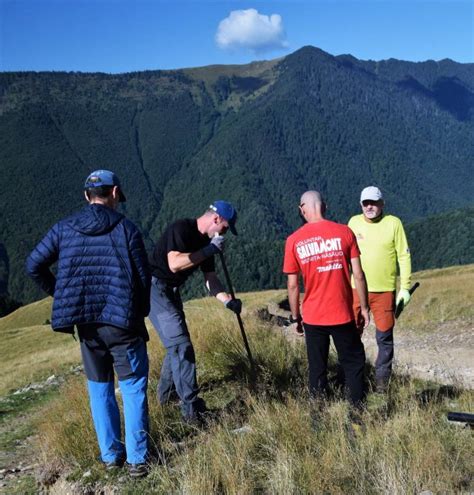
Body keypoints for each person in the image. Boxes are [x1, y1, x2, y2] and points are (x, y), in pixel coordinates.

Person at [26, 170, 151, 477]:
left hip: (87, 325)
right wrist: (140, 312)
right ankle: (138, 460)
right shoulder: (127, 230)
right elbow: (143, 279)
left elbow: (33, 265)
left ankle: (110, 456)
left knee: (99, 388)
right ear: (116, 193)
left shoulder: (64, 228)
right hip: (123, 324)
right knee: (133, 386)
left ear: (86, 196)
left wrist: (61, 292)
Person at [148, 200, 241, 423]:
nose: (225, 232)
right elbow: (174, 264)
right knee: (181, 345)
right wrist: (209, 249)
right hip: (154, 288)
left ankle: (167, 399)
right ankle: (192, 410)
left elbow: (211, 280)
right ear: (216, 219)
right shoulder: (181, 229)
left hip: (171, 291)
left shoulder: (207, 243)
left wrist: (228, 301)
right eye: (226, 227)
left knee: (177, 346)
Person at [283, 191, 369, 408]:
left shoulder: (293, 240)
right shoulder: (344, 232)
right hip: (342, 314)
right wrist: (365, 307)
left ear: (302, 209)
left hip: (313, 317)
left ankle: (317, 418)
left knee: (317, 368)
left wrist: (295, 318)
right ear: (325, 206)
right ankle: (357, 414)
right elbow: (358, 274)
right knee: (353, 363)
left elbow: (293, 285)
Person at [348, 186, 412, 392]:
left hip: (384, 291)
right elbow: (344, 256)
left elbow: (404, 255)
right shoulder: (353, 223)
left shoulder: (394, 223)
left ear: (382, 203)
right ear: (360, 204)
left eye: (374, 202)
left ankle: (381, 385)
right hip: (355, 290)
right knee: (349, 336)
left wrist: (405, 288)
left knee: (384, 339)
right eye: (365, 203)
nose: (369, 206)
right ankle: (351, 380)